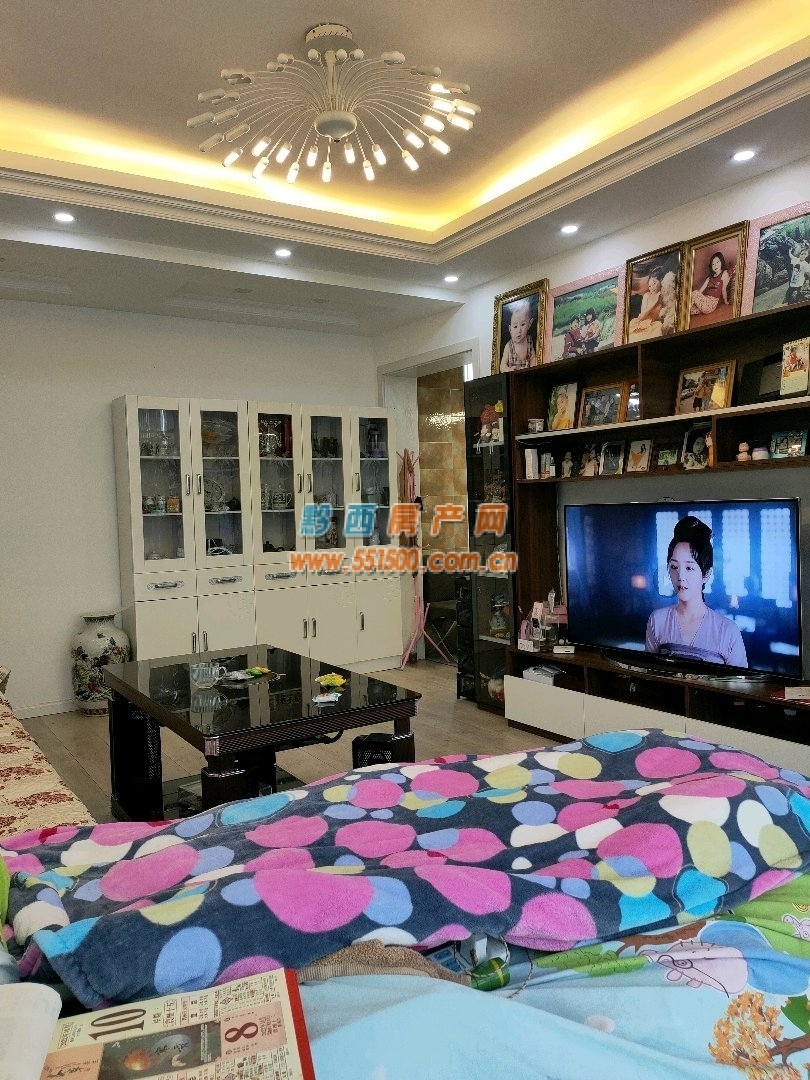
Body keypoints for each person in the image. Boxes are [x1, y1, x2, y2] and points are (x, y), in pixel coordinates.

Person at [645, 515, 748, 668]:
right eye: (674, 567)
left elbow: (739, 682)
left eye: (689, 568)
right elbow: (649, 673)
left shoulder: (728, 631)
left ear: (706, 574)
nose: (680, 576)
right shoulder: (657, 620)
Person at [500, 298, 536, 372]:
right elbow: (502, 366)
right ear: (510, 329)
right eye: (515, 326)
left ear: (529, 324)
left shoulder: (529, 341)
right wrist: (509, 370)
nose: (519, 330)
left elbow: (533, 358)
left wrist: (532, 369)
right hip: (514, 376)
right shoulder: (509, 346)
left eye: (523, 324)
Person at [627, 266, 665, 337]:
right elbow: (642, 317)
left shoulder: (663, 296)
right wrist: (654, 303)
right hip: (641, 323)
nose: (652, 288)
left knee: (659, 328)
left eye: (654, 283)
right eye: (650, 286)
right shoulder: (647, 295)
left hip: (654, 325)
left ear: (660, 280)